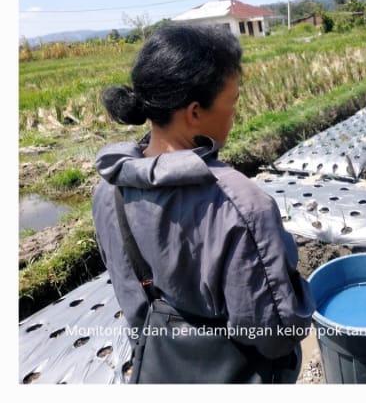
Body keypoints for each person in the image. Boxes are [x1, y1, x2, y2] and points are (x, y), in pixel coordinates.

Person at [91, 24, 313, 383]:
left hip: (158, 366)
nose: (234, 114)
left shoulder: (108, 191)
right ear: (194, 112)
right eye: (232, 102)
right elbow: (273, 335)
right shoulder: (240, 206)